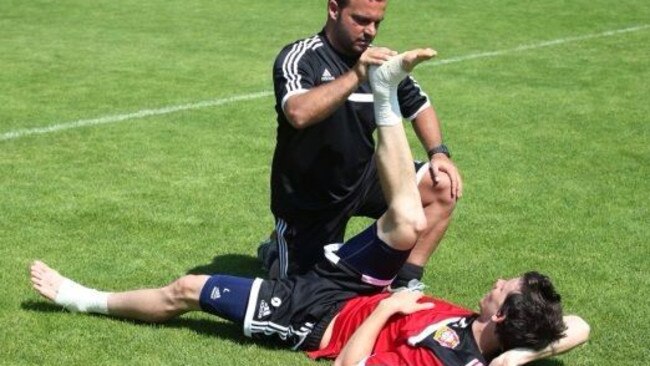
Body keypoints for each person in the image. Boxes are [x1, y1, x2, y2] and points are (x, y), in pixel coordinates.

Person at [30, 52, 589, 365]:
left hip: (313, 316)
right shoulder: (492, 345)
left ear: (497, 316)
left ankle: (83, 300)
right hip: (360, 285)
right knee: (408, 221)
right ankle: (387, 94)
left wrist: (386, 313)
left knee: (189, 288)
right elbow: (577, 328)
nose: (493, 281)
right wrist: (516, 358)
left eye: (501, 288)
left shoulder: (444, 363)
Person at [263, 0, 462, 286]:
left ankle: (405, 280)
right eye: (360, 20)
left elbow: (419, 105)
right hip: (310, 197)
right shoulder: (301, 57)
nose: (370, 31)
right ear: (334, 9)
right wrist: (357, 74)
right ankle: (274, 254)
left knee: (442, 185)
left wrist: (438, 153)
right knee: (303, 294)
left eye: (377, 22)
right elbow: (298, 113)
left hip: (363, 177)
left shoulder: (380, 62)